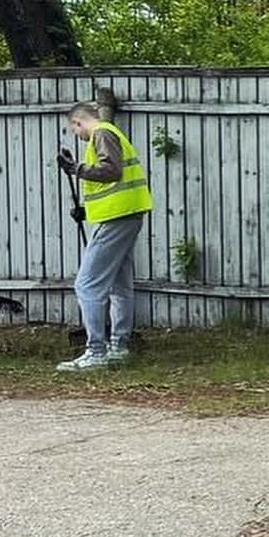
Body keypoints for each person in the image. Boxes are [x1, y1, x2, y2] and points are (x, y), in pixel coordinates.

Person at [55, 102, 154, 372]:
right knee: (120, 284)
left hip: (117, 218)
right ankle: (118, 347)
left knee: (87, 284)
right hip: (126, 213)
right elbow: (114, 183)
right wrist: (86, 210)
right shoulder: (110, 133)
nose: (76, 135)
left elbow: (112, 171)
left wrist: (77, 169)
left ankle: (95, 351)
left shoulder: (101, 133)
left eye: (73, 129)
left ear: (78, 122)